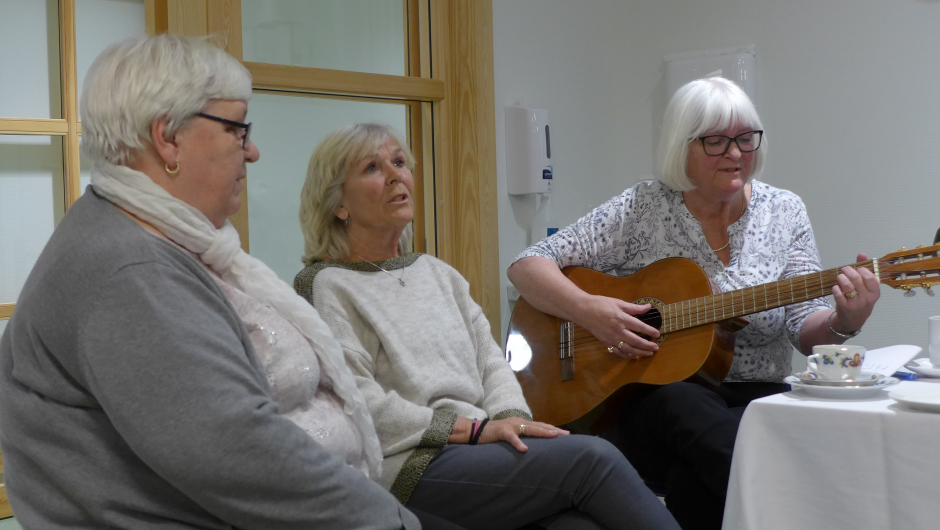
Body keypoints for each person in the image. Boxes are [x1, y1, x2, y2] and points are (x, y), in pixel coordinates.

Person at [0, 34, 456, 530]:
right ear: (168, 138)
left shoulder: (151, 237)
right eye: (238, 130)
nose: (253, 151)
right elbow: (241, 454)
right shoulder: (131, 271)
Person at [506, 76, 880, 530]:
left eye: (745, 138)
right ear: (680, 147)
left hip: (754, 398)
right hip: (647, 402)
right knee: (686, 403)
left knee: (697, 475)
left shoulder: (784, 211)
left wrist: (844, 320)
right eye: (716, 141)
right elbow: (527, 266)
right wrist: (592, 312)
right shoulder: (644, 207)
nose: (737, 153)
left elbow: (805, 327)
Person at [293, 123, 680, 530]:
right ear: (339, 204)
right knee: (592, 458)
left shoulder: (439, 273)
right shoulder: (324, 285)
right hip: (409, 465)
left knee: (581, 525)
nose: (395, 175)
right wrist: (475, 430)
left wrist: (514, 421)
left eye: (400, 162)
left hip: (484, 450)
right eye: (372, 168)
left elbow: (492, 363)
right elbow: (357, 401)